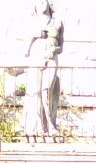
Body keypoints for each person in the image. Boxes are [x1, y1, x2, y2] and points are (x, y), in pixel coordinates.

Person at [23, 1, 64, 136]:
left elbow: (61, 47)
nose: (41, 3)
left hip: (51, 58)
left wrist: (54, 50)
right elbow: (26, 46)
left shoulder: (58, 22)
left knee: (46, 90)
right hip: (37, 55)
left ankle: (51, 124)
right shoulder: (32, 22)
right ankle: (40, 126)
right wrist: (35, 35)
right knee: (36, 92)